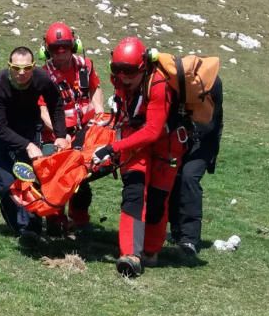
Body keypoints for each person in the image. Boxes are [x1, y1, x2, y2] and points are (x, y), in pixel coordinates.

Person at [91, 37, 186, 277]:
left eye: (130, 71)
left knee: (156, 200)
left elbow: (153, 131)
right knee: (133, 192)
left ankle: (151, 251)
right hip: (135, 142)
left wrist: (114, 148)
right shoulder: (121, 80)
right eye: (118, 70)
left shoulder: (159, 84)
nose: (123, 77)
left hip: (166, 144)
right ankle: (131, 254)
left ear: (143, 67)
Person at [0, 46, 67, 245]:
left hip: (28, 130)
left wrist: (61, 135)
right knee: (7, 186)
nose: (22, 73)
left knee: (31, 180)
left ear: (33, 66)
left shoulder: (42, 79)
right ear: (9, 66)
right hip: (0, 138)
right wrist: (27, 145)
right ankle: (22, 229)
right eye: (16, 68)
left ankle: (33, 228)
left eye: (27, 68)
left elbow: (56, 104)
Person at [37, 22, 106, 233]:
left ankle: (80, 219)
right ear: (46, 51)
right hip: (57, 135)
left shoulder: (86, 65)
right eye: (55, 49)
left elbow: (96, 89)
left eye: (65, 47)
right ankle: (55, 221)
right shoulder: (42, 75)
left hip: (84, 131)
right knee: (58, 179)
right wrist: (60, 135)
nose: (60, 54)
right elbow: (42, 110)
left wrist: (100, 112)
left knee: (82, 179)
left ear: (74, 45)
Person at [169, 77, 224, 257]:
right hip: (181, 138)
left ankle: (189, 239)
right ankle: (176, 230)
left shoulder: (213, 83)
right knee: (173, 176)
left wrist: (190, 131)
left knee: (189, 177)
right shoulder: (177, 82)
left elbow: (211, 122)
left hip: (203, 142)